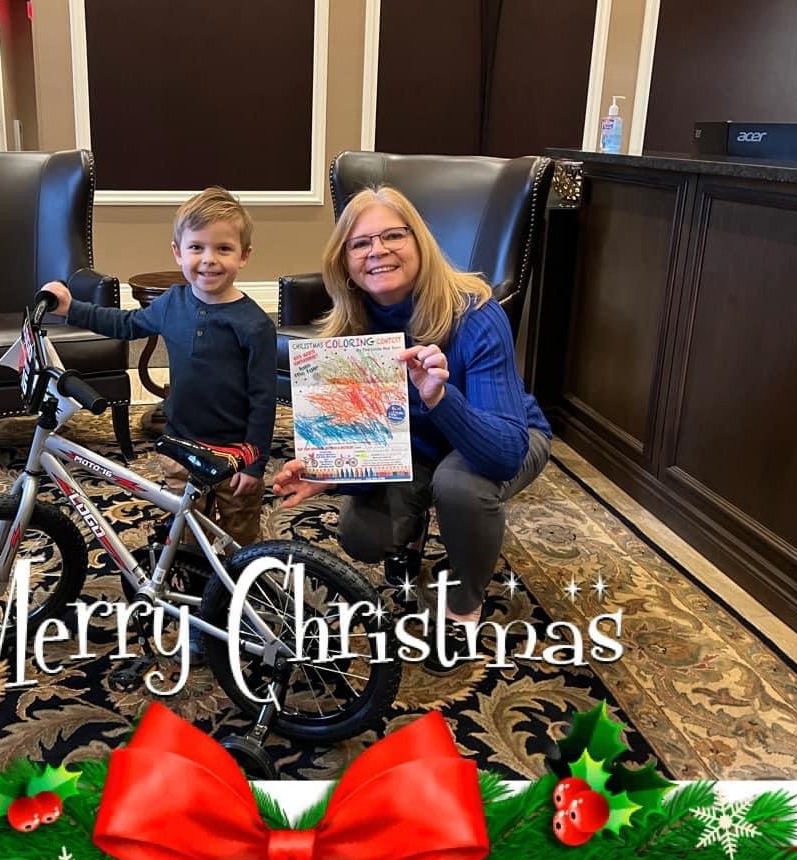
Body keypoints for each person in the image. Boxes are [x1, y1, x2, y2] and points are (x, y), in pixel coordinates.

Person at [272, 184, 551, 667]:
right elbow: (368, 444)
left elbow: (504, 453)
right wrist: (329, 472)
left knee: (460, 486)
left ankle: (463, 605)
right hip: (412, 446)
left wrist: (439, 397)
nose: (377, 251)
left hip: (503, 437)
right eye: (360, 243)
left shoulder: (476, 314)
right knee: (362, 537)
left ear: (420, 242)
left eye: (393, 236)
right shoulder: (348, 329)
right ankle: (416, 527)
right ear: (345, 262)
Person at [41, 185, 276, 551]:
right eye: (196, 247)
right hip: (181, 444)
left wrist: (254, 464)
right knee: (187, 532)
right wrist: (72, 308)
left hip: (234, 453)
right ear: (178, 252)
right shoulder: (172, 303)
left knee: (240, 534)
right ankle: (192, 569)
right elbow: (125, 324)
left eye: (223, 248)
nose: (209, 259)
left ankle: (241, 576)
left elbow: (264, 398)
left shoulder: (255, 325)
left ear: (244, 256)